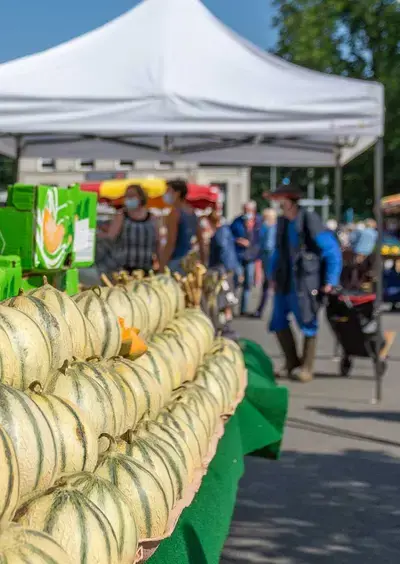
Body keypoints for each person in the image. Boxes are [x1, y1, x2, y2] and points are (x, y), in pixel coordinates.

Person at [266, 184, 342, 383]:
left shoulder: (310, 219)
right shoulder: (282, 222)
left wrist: (330, 281)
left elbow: (332, 251)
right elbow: (277, 252)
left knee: (308, 322)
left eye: (279, 200)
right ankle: (292, 362)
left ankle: (306, 367)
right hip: (285, 281)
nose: (276, 204)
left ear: (289, 201)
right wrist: (271, 275)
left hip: (306, 281)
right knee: (277, 321)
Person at [97, 184, 157, 274]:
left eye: (132, 195)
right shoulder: (121, 215)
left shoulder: (152, 217)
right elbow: (111, 236)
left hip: (146, 267)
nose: (128, 198)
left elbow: (158, 242)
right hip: (123, 267)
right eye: (127, 195)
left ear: (140, 197)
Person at [160, 179, 206, 273]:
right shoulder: (192, 212)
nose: (165, 194)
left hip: (176, 262)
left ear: (177, 193)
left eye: (168, 191)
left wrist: (162, 266)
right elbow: (201, 240)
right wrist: (203, 262)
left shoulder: (174, 213)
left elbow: (171, 242)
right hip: (189, 262)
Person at [230, 201, 262, 315]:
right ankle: (231, 306)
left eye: (248, 210)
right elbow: (229, 236)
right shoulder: (236, 221)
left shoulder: (259, 222)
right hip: (238, 255)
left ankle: (243, 309)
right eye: (244, 210)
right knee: (237, 280)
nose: (246, 212)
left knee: (248, 283)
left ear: (253, 211)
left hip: (251, 257)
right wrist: (237, 240)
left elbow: (261, 239)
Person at [252, 208, 277, 318]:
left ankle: (261, 311)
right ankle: (261, 310)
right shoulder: (273, 227)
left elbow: (268, 246)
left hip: (269, 260)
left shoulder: (268, 227)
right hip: (270, 259)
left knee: (268, 286)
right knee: (268, 287)